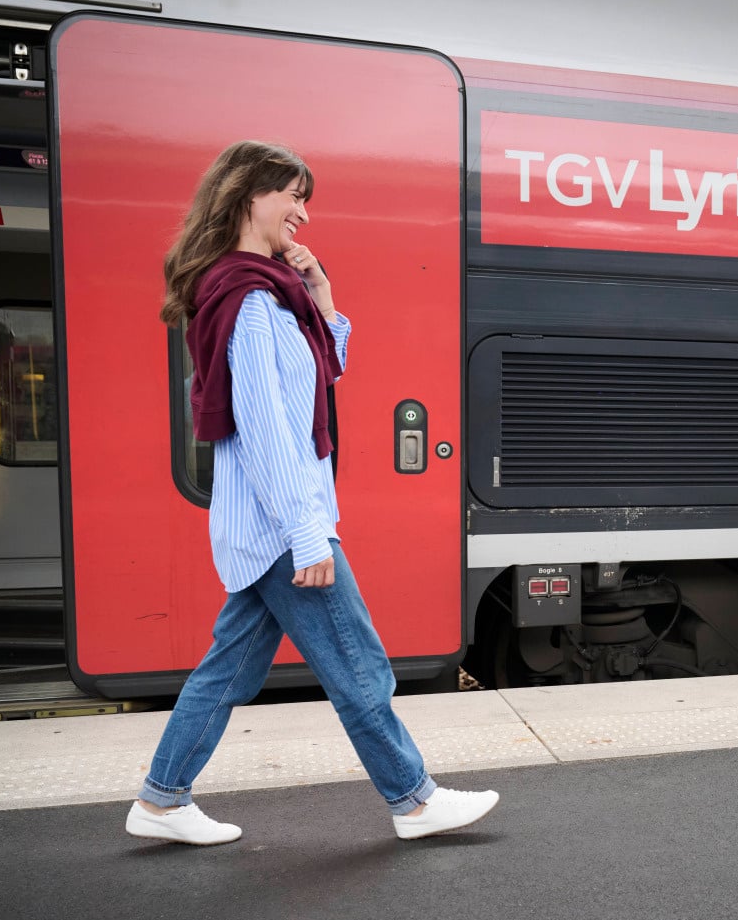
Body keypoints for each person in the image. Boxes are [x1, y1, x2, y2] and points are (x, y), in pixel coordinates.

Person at [125, 140, 498, 846]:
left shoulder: (266, 293)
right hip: (281, 524)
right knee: (358, 662)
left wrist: (322, 292)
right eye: (293, 195)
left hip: (268, 521)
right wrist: (307, 533)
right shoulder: (251, 302)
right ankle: (414, 800)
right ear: (248, 196)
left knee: (227, 667)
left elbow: (324, 370)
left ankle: (163, 798)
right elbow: (267, 431)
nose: (303, 212)